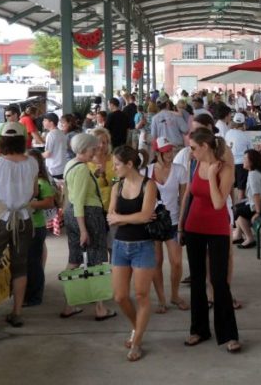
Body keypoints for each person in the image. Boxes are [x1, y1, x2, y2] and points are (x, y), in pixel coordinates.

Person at [182, 128, 241, 353]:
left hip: (217, 228)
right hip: (193, 226)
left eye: (194, 148)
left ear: (205, 147)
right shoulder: (195, 164)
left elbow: (218, 203)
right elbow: (189, 194)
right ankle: (199, 329)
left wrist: (211, 179)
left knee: (218, 281)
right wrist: (181, 225)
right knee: (196, 280)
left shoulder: (225, 169)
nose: (191, 152)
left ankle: (229, 334)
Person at [0, 122, 38, 327]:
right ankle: (17, 313)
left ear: (2, 141)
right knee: (20, 265)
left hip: (1, 218)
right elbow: (34, 192)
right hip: (24, 218)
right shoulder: (32, 162)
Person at [107, 146, 159, 362]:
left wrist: (121, 218)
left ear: (129, 164)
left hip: (143, 245)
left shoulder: (149, 185)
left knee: (141, 295)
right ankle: (136, 327)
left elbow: (146, 215)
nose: (114, 168)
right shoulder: (116, 187)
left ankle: (137, 341)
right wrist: (127, 218)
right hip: (120, 245)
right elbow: (110, 216)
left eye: (117, 164)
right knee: (119, 296)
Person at [60, 132, 115, 321]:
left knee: (75, 258)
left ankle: (69, 305)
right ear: (84, 149)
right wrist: (84, 230)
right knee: (97, 259)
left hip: (72, 214)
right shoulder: (83, 169)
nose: (96, 150)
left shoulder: (71, 164)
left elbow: (73, 194)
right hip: (88, 215)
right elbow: (81, 200)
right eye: (93, 148)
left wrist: (95, 175)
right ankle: (100, 308)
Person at [148, 137, 190, 313]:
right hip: (153, 223)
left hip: (173, 222)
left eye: (171, 150)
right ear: (157, 152)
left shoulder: (180, 170)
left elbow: (184, 199)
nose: (169, 153)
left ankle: (174, 295)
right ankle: (161, 300)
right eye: (166, 151)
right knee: (156, 262)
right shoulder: (147, 171)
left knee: (177, 262)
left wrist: (181, 224)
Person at [23, 150, 57, 308]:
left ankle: (34, 296)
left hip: (36, 226)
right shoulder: (24, 180)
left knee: (33, 263)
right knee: (28, 262)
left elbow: (49, 202)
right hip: (25, 226)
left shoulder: (41, 182)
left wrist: (31, 204)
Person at [224, 113, 252, 203]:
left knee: (230, 186)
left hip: (229, 163)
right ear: (244, 123)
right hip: (241, 164)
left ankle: (231, 206)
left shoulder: (228, 133)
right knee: (241, 188)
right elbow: (250, 151)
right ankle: (239, 209)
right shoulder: (246, 136)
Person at [42, 113, 68, 181]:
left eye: (45, 120)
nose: (43, 122)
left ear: (51, 122)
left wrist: (37, 155)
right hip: (62, 167)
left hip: (54, 169)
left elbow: (47, 154)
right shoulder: (61, 133)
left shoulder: (51, 134)